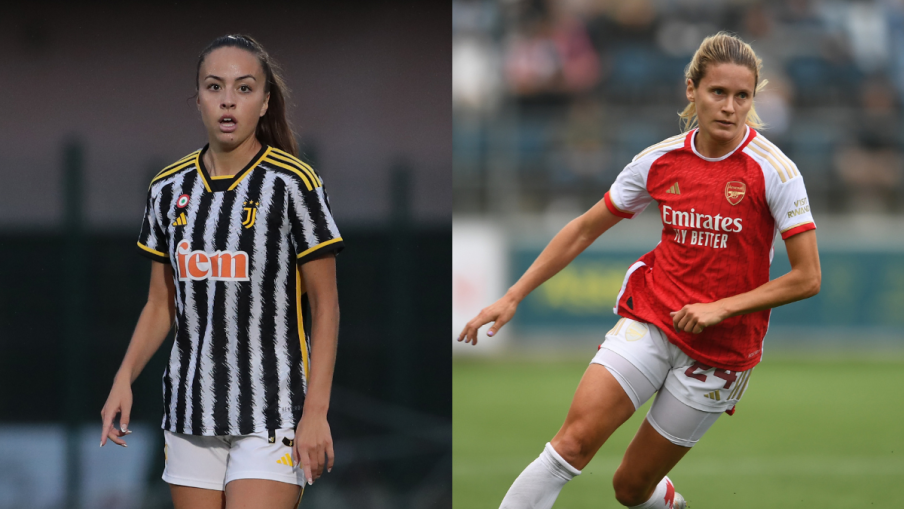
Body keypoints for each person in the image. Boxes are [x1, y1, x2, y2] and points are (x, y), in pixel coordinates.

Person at [458, 32, 820, 509]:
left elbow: (807, 277)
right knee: (570, 445)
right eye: (718, 92)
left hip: (720, 354)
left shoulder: (776, 171)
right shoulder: (659, 160)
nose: (730, 107)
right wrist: (512, 295)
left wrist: (720, 308)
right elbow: (584, 229)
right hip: (653, 320)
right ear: (691, 90)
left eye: (742, 96)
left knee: (630, 489)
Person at [100, 34, 343, 509]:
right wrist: (124, 377)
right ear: (198, 99)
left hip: (275, 412)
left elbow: (327, 306)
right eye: (214, 87)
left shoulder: (294, 184)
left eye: (244, 88)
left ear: (265, 100)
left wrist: (315, 412)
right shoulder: (167, 190)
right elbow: (161, 303)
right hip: (191, 412)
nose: (228, 100)